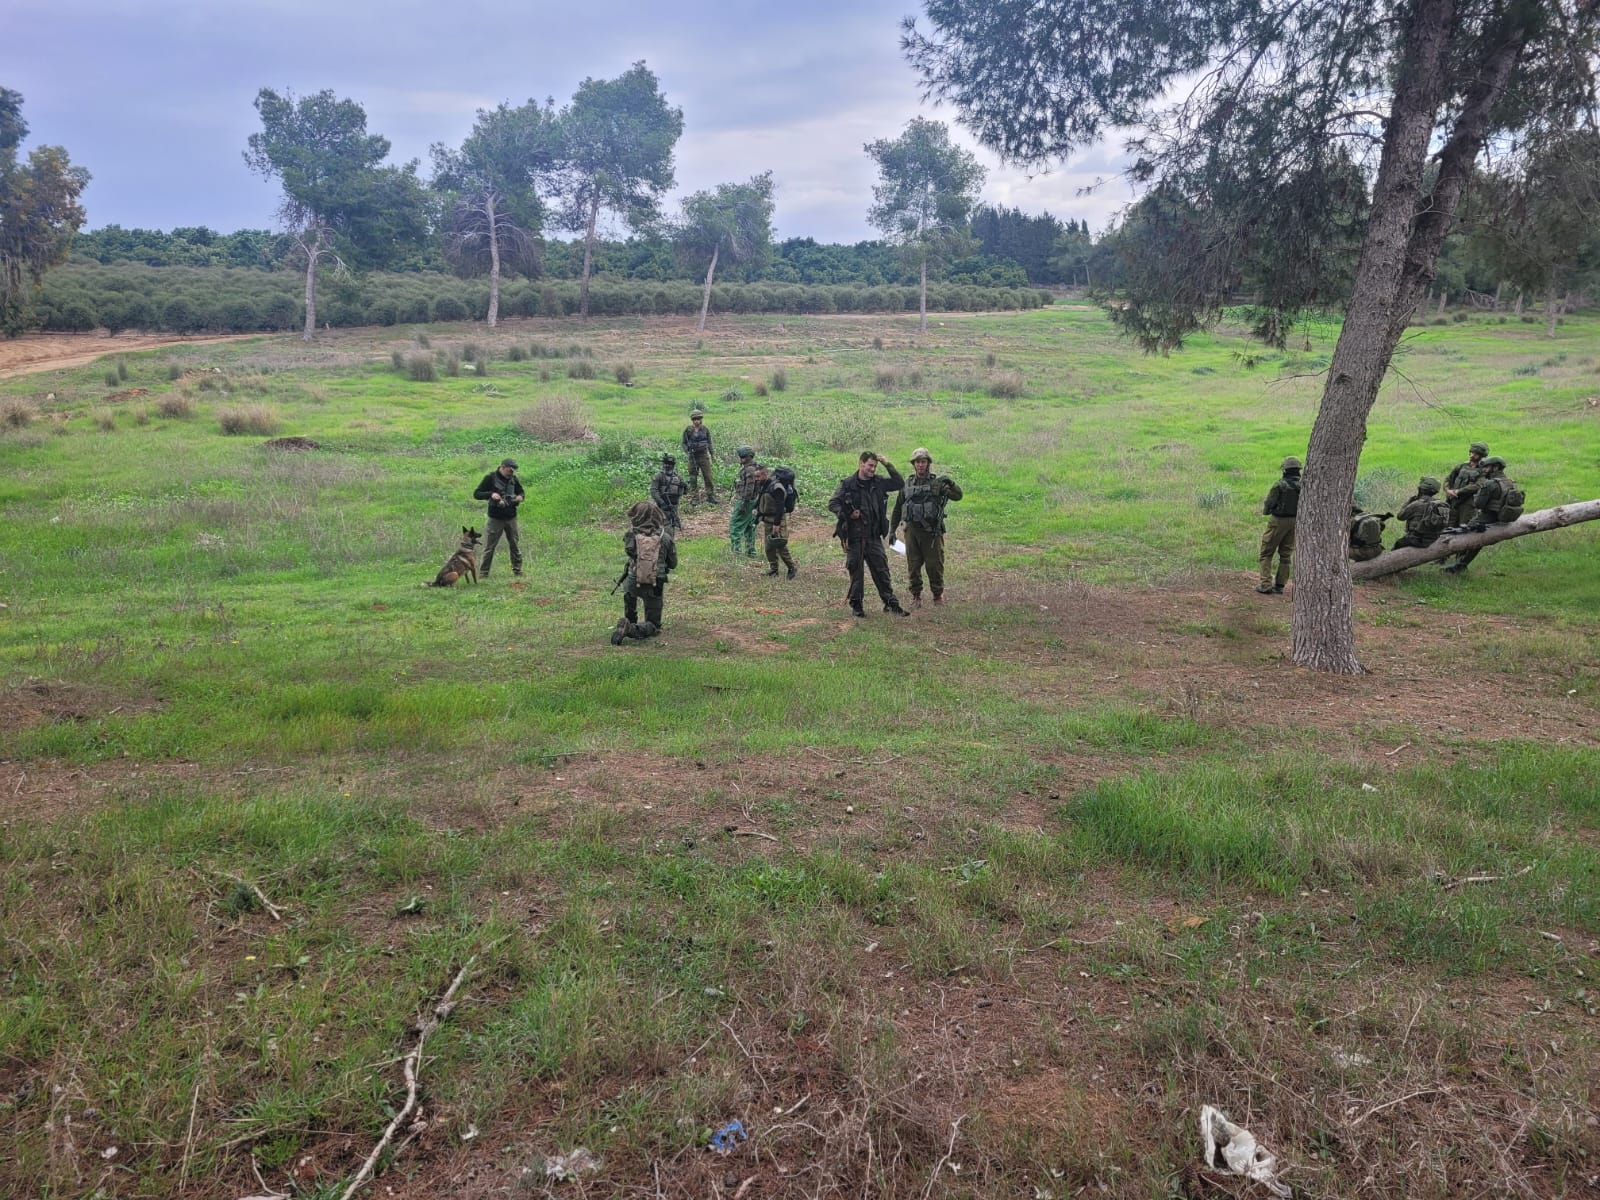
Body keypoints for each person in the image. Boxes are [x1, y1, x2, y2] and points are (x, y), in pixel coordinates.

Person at [827, 451, 908, 618]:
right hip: (854, 537)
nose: (872, 469)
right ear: (861, 463)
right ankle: (857, 605)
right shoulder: (848, 484)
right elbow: (833, 503)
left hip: (873, 536)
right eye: (870, 465)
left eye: (875, 466)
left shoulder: (878, 482)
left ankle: (890, 603)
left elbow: (899, 483)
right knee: (856, 572)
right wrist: (847, 514)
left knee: (882, 570)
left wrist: (887, 464)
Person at [889, 447, 963, 608]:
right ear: (914, 465)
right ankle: (916, 596)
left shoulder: (937, 484)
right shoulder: (907, 485)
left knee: (934, 565)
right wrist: (891, 531)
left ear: (928, 463)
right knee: (913, 565)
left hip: (931, 532)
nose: (920, 465)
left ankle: (937, 595)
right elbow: (897, 509)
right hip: (911, 531)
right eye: (917, 462)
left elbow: (958, 496)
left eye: (923, 462)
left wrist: (950, 483)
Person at [610, 501, 678, 644]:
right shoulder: (665, 538)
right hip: (654, 583)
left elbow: (630, 552)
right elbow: (673, 564)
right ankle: (632, 629)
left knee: (630, 596)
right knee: (654, 625)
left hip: (633, 580)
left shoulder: (630, 535)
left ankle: (628, 621)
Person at [1443, 456, 1522, 573]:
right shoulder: (1510, 482)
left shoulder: (1490, 484)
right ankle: (1461, 564)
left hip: (1488, 517)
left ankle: (1460, 564)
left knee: (1466, 533)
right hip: (1504, 517)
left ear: (1495, 468)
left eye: (1486, 467)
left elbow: (1478, 504)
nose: (1484, 470)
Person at [473, 458, 524, 578]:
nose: (511, 473)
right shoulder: (490, 478)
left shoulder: (513, 479)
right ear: (502, 467)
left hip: (511, 517)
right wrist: (491, 494)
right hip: (496, 518)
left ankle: (517, 570)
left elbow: (521, 492)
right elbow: (477, 494)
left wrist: (520, 497)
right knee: (489, 547)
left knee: (515, 545)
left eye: (513, 471)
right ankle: (483, 573)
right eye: (510, 470)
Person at [1256, 455, 1301, 594]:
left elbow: (1269, 503)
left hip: (1278, 521)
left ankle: (1265, 584)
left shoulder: (1279, 485)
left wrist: (1267, 512)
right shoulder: (1304, 485)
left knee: (1266, 553)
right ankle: (1280, 585)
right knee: (1286, 554)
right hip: (1295, 522)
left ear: (1285, 470)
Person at [756, 464, 798, 579]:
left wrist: (777, 523)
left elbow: (780, 507)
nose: (757, 479)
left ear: (765, 473)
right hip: (768, 519)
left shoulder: (777, 488)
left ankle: (791, 567)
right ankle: (774, 570)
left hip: (777, 520)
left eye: (758, 476)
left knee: (781, 545)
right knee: (769, 547)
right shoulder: (767, 484)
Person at [1393, 476, 1449, 549]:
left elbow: (1400, 516)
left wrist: (1408, 502)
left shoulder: (1416, 504)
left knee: (1398, 544)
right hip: (1435, 538)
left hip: (1419, 540)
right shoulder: (1441, 504)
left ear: (1421, 490)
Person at [1444, 441, 1489, 528]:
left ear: (1481, 456)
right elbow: (1448, 479)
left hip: (1468, 505)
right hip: (1453, 502)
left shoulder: (1483, 470)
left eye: (1476, 454)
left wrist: (1458, 491)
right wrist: (1448, 490)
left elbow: (1477, 486)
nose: (1472, 455)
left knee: (1464, 528)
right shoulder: (1462, 466)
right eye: (1471, 453)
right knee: (1449, 527)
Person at [729, 446, 760, 557]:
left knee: (735, 526)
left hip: (746, 501)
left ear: (748, 457)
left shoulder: (750, 470)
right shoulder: (753, 468)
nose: (740, 459)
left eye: (743, 456)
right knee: (749, 527)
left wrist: (744, 504)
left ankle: (736, 551)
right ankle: (750, 551)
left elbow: (749, 488)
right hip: (752, 501)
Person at [681, 409, 716, 504]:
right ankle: (695, 498)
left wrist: (712, 455)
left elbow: (709, 443)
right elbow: (683, 443)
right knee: (693, 478)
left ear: (701, 419)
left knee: (708, 476)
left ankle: (710, 495)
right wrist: (687, 450)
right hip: (693, 456)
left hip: (703, 456)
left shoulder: (705, 430)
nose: (697, 421)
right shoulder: (688, 430)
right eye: (695, 419)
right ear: (692, 420)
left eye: (698, 419)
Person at [651, 453, 687, 532]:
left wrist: (684, 487)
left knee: (672, 524)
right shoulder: (659, 476)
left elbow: (684, 492)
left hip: (674, 505)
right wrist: (662, 502)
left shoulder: (678, 477)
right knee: (663, 524)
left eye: (670, 464)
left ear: (673, 465)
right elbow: (654, 491)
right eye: (666, 464)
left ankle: (670, 540)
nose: (667, 466)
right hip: (663, 505)